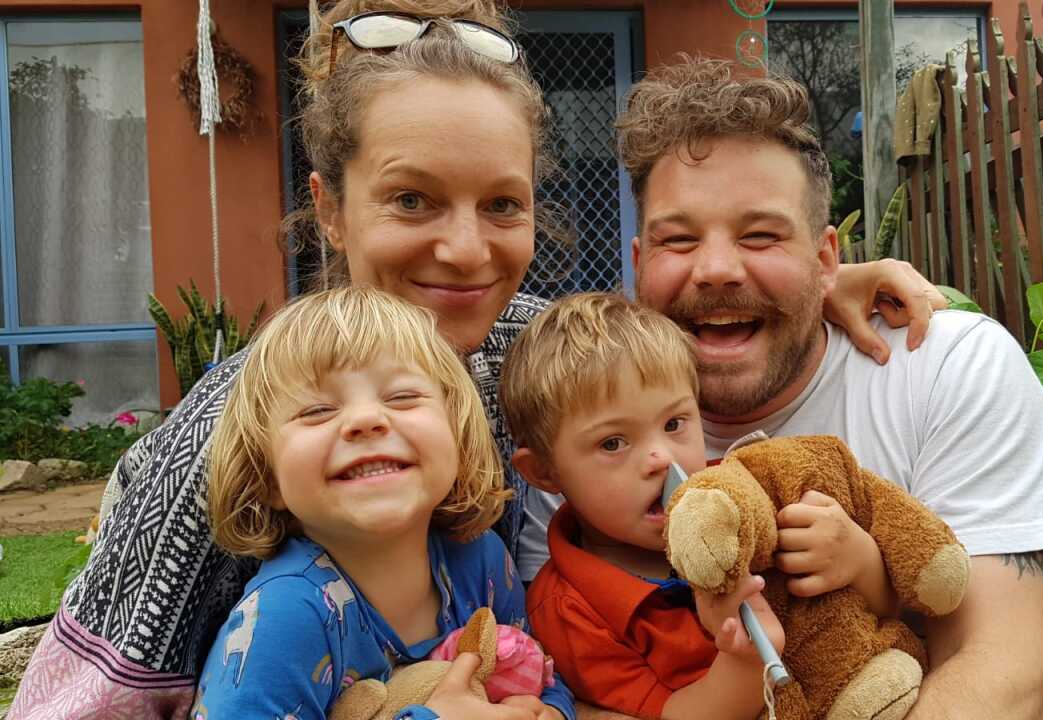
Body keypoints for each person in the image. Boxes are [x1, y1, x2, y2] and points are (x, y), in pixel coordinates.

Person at [10, 3, 944, 717]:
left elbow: (643, 354)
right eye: (411, 200)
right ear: (329, 207)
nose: (465, 252)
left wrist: (817, 283)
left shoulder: (525, 344)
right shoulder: (225, 431)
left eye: (502, 205)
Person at [614, 57, 1043, 720]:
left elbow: (1001, 671)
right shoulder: (590, 421)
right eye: (678, 240)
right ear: (639, 263)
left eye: (760, 236)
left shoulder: (944, 366)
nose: (717, 269)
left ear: (825, 262)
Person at [501, 292, 899, 720]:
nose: (661, 458)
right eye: (612, 443)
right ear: (544, 471)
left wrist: (859, 561)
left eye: (674, 424)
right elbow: (671, 714)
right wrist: (745, 661)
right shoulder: (567, 610)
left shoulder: (745, 495)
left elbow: (887, 611)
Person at [188, 286, 572, 719]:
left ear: (458, 440)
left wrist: (548, 711)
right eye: (316, 410)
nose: (366, 419)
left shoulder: (481, 560)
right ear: (267, 477)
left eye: (402, 397)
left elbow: (541, 674)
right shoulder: (285, 617)